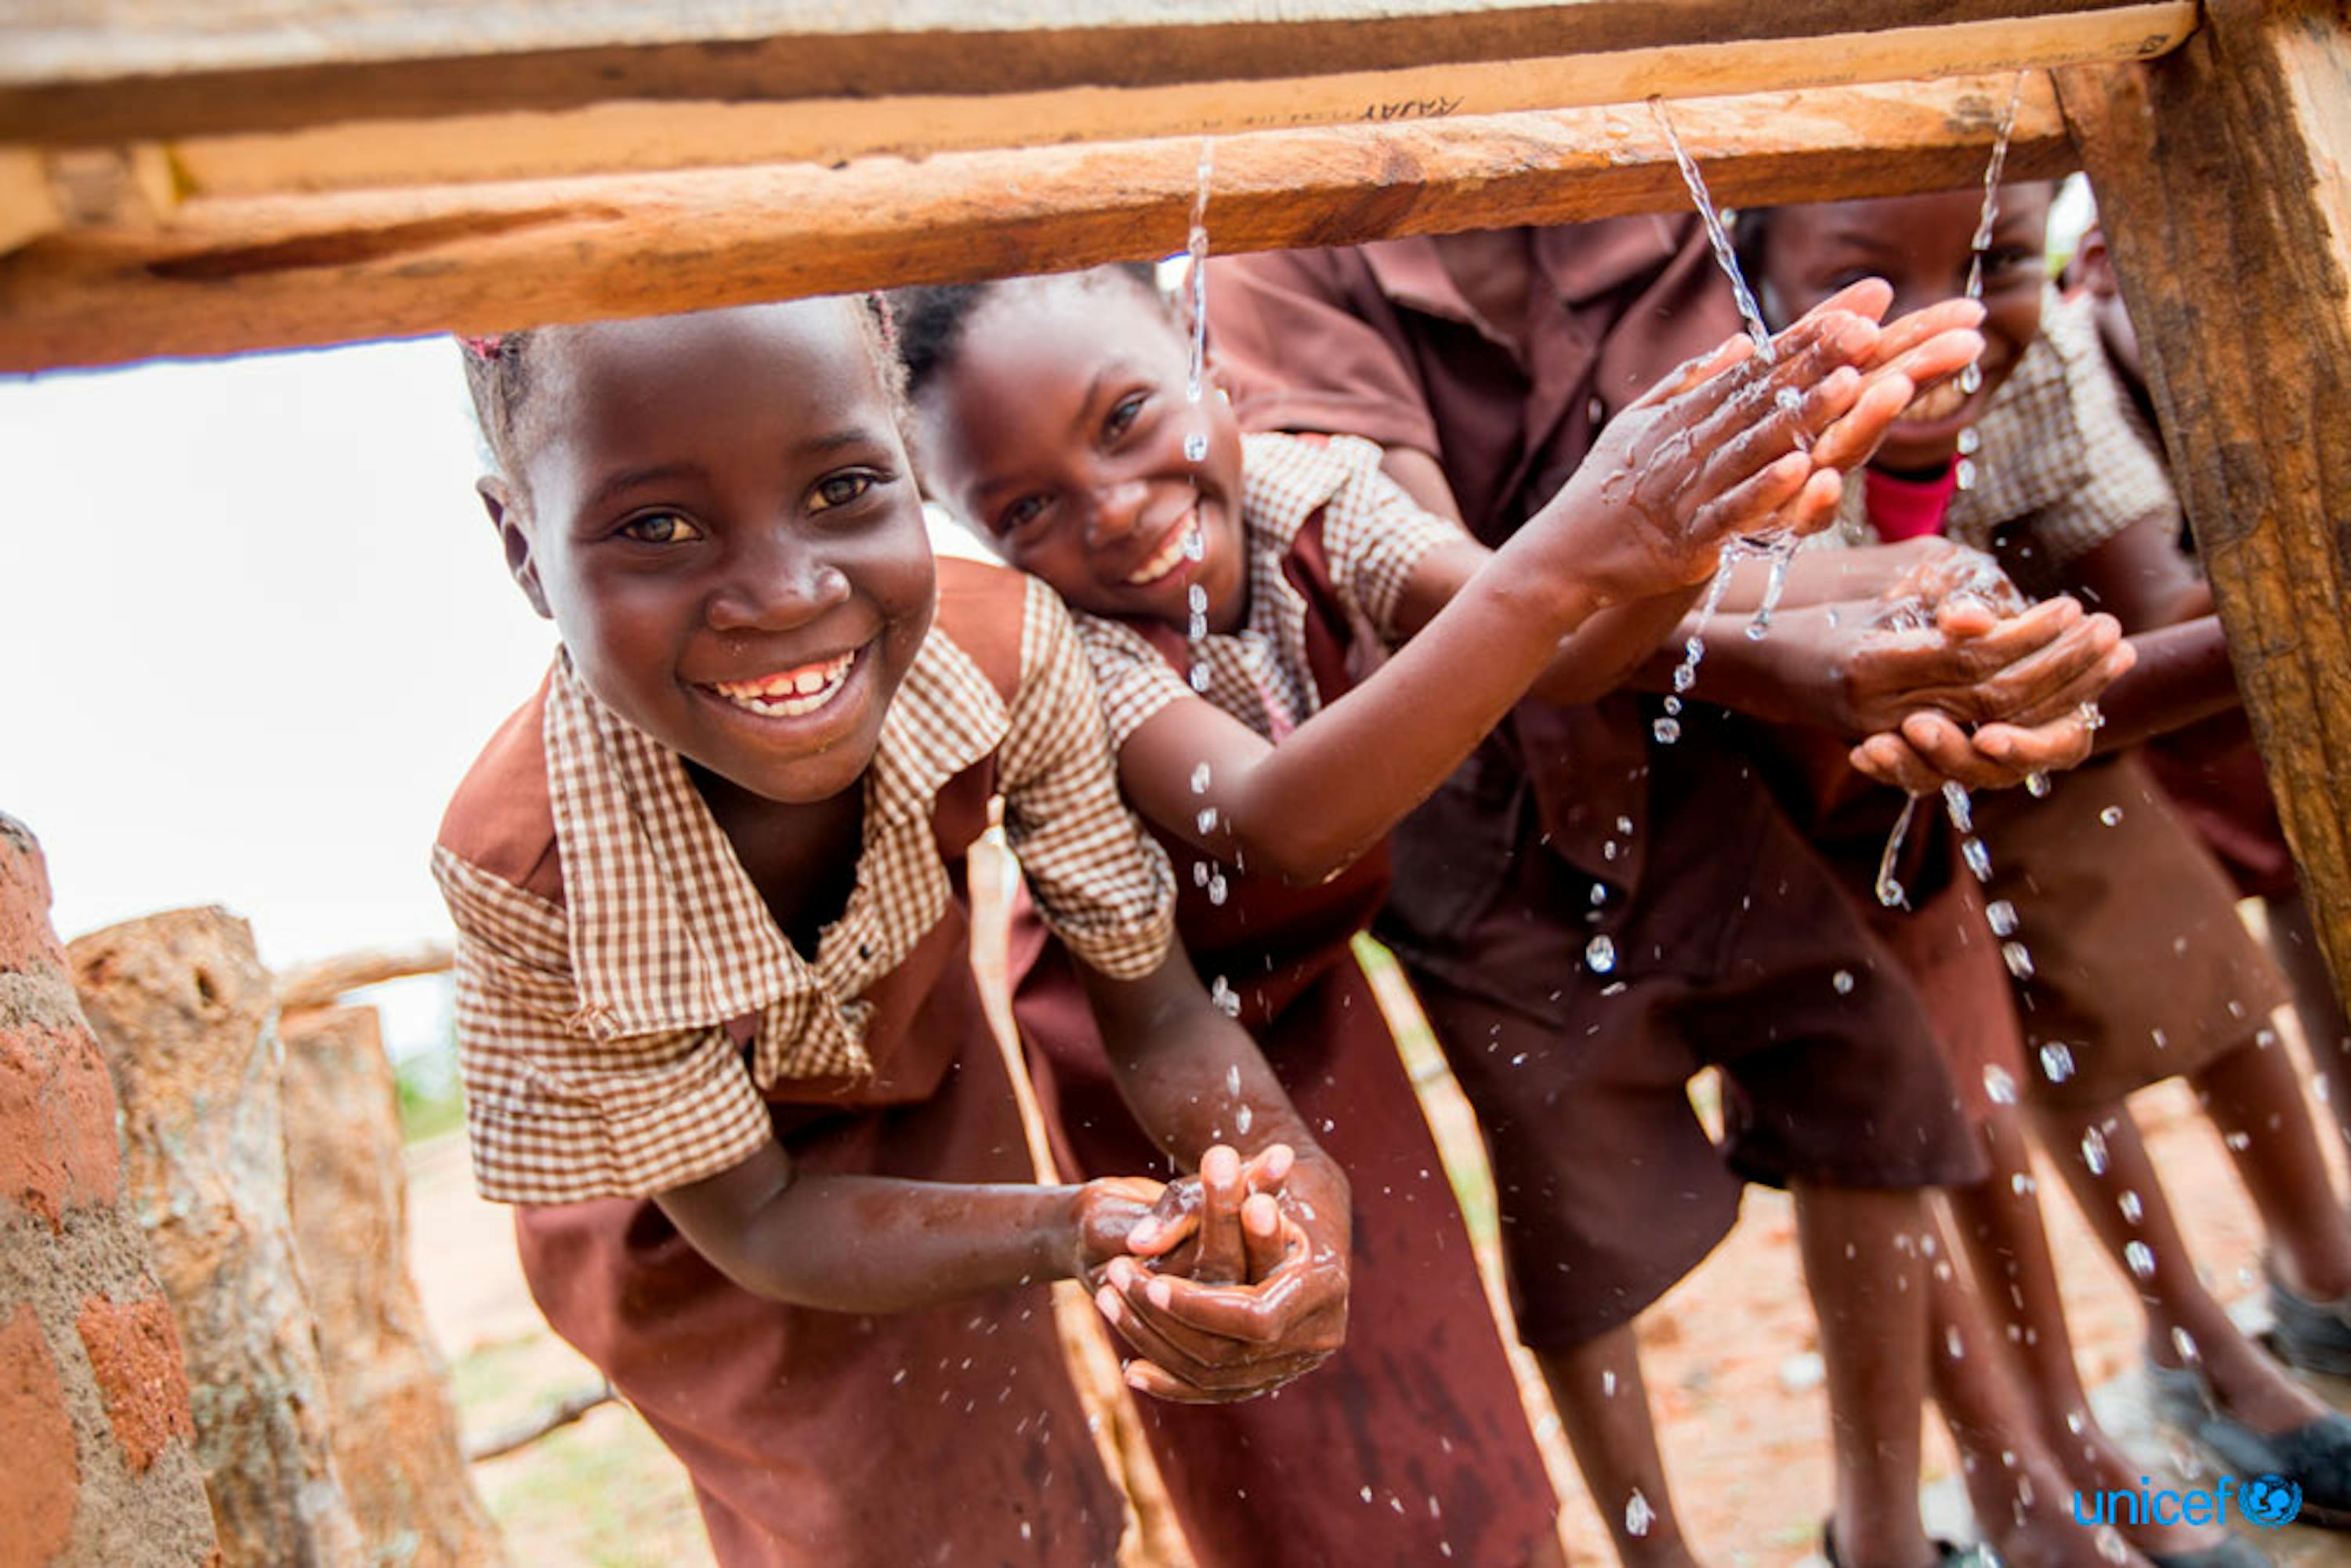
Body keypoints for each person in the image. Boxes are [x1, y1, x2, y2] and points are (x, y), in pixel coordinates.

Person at [898, 261, 1984, 1567]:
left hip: (1312, 976)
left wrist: (1680, 539)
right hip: (1147, 1026)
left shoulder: (1308, 487)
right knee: (1283, 1404)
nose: (1115, 508)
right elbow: (1279, 816)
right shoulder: (1080, 652)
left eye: (1128, 419)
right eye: (1026, 507)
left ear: (1216, 373)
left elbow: (1557, 643)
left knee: (1428, 1360)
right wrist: (1575, 555)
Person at [1208, 221, 2126, 1568]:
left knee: (1863, 1083)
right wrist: (1825, 635)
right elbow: (1476, 595)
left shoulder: (1645, 198)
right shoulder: (1288, 256)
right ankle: (1660, 1554)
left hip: (1696, 759)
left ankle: (1880, 1535)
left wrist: (1919, 587)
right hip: (1470, 797)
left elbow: (1730, 514)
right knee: (1576, 1205)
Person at [432, 293, 1355, 1566]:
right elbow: (755, 1221)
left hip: (921, 1086)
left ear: (908, 469)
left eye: (844, 488)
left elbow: (1157, 1010)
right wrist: (1068, 1225)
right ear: (524, 548)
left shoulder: (1003, 657)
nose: (784, 590)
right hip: (681, 1212)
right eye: (657, 525)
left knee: (1027, 1476)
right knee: (861, 1517)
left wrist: (1296, 1178)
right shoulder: (528, 868)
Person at [1741, 179, 2351, 1544]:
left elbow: (2160, 609)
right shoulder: (1760, 422)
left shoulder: (2035, 358)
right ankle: (2118, 1402)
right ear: (1753, 266)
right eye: (1874, 272)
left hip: (2048, 706)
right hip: (1810, 782)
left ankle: (2277, 1312)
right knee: (1979, 1086)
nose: (1952, 318)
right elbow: (1815, 678)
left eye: (2000, 260)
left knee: (2192, 972)